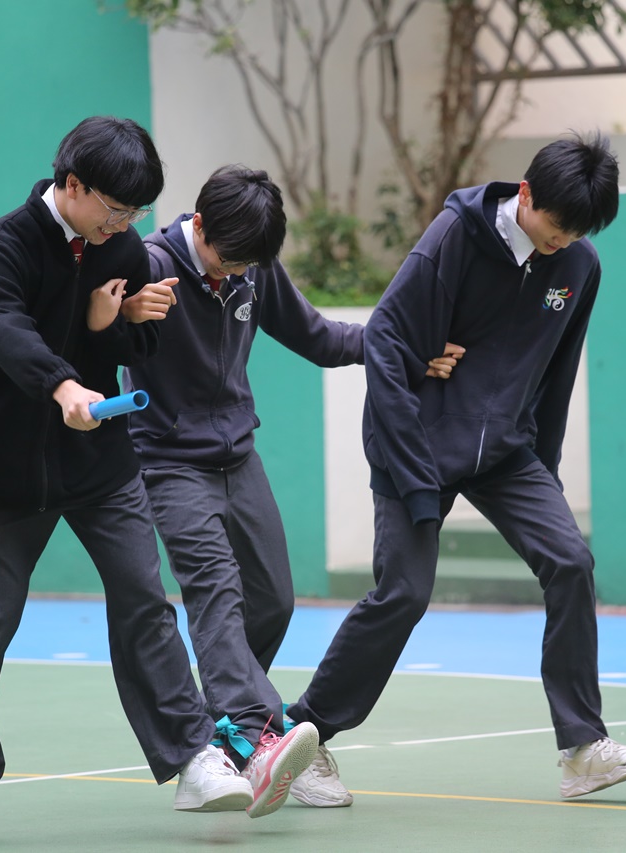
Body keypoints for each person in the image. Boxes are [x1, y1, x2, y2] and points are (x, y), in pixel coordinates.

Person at [0, 118, 317, 849]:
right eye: (116, 208)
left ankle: (193, 757)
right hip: (5, 469)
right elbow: (1, 325)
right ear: (72, 185)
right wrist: (62, 383)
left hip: (101, 464)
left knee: (145, 605)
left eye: (136, 211)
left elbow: (137, 346)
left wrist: (121, 321)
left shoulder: (124, 249)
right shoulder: (5, 244)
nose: (126, 224)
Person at [284, 132, 626, 802]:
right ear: (526, 195)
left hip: (506, 452)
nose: (562, 242)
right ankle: (301, 737)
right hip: (417, 444)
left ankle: (584, 749)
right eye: (556, 225)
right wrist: (415, 482)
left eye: (578, 232)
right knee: (403, 594)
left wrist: (546, 472)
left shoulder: (578, 265)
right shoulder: (453, 238)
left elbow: (556, 373)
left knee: (570, 561)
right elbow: (386, 341)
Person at [120, 164, 463, 812]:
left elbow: (319, 337)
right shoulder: (150, 264)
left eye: (248, 265)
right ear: (200, 225)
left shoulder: (251, 268)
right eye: (227, 261)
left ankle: (220, 733)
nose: (235, 274)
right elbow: (95, 335)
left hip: (238, 457)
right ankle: (257, 737)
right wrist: (126, 315)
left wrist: (406, 350)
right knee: (216, 593)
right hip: (167, 462)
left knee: (273, 601)